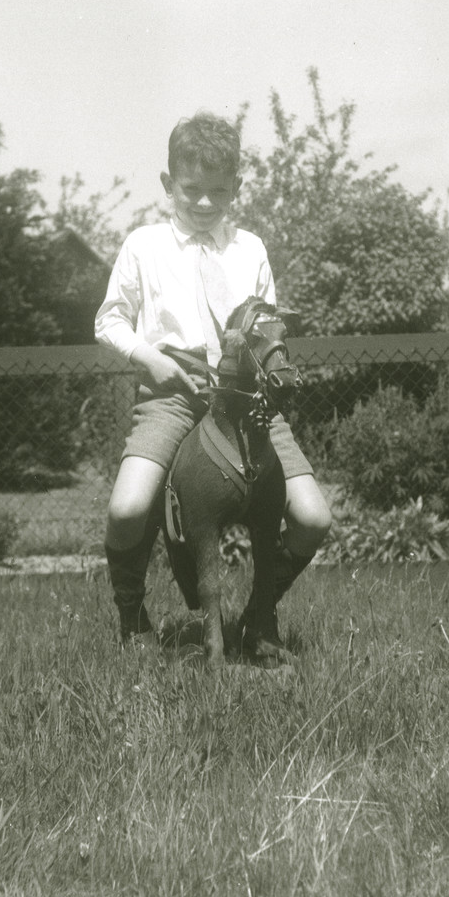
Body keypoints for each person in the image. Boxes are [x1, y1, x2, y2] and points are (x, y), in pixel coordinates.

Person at [94, 112, 331, 650]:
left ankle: (256, 616)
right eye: (191, 190)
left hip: (246, 398)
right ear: (168, 184)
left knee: (314, 516)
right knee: (128, 507)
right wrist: (151, 359)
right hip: (173, 392)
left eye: (218, 192)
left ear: (237, 189)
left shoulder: (250, 249)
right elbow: (108, 320)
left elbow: (265, 324)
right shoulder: (143, 245)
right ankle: (132, 617)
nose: (204, 204)